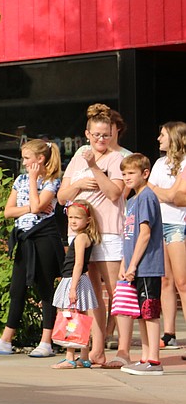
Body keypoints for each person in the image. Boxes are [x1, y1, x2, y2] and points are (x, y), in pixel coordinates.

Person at [0, 139, 64, 356]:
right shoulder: (20, 180)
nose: (23, 162)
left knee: (45, 288)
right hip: (24, 237)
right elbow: (8, 211)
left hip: (43, 237)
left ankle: (46, 341)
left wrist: (34, 182)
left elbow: (38, 206)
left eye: (27, 158)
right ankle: (6, 339)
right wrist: (29, 207)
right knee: (17, 289)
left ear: (40, 159)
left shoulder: (51, 181)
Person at [57, 103, 125, 366]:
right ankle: (95, 349)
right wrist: (78, 184)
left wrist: (95, 168)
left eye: (106, 135)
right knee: (91, 293)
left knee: (115, 290)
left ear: (112, 134)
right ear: (87, 134)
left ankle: (122, 350)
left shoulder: (116, 158)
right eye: (96, 135)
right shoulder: (78, 158)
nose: (101, 139)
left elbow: (115, 193)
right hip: (81, 234)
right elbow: (62, 198)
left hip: (107, 230)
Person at [112, 153, 165, 375]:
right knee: (140, 313)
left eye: (131, 173)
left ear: (145, 173)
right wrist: (125, 263)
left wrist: (133, 265)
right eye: (123, 174)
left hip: (147, 265)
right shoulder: (132, 200)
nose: (126, 177)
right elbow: (129, 236)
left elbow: (144, 234)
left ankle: (154, 360)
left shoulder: (147, 197)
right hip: (135, 265)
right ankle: (145, 357)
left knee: (149, 311)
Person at [148, 121, 186, 351]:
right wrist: (168, 194)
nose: (158, 139)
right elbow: (147, 189)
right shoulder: (160, 163)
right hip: (158, 224)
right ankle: (169, 333)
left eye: (162, 135)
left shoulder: (185, 163)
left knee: (182, 282)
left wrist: (165, 194)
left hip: (178, 224)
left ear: (173, 137)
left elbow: (180, 197)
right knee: (165, 281)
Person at [51, 202, 100, 369]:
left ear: (88, 220)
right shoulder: (86, 237)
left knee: (70, 317)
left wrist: (72, 287)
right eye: (70, 217)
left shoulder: (80, 238)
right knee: (82, 318)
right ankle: (84, 356)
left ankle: (70, 356)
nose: (72, 221)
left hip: (74, 280)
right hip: (79, 280)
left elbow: (78, 264)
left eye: (77, 217)